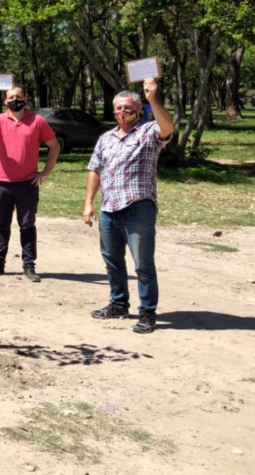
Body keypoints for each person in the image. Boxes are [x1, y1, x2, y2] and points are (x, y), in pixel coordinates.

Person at [83, 78, 174, 334]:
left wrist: (153, 97)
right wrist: (89, 203)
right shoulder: (106, 138)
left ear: (139, 109)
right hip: (108, 209)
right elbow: (95, 170)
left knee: (143, 264)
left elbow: (168, 127)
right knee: (112, 261)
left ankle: (147, 313)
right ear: (114, 111)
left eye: (128, 107)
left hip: (138, 209)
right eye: (119, 108)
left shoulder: (148, 132)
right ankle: (118, 303)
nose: (123, 112)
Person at [0, 85, 60, 282]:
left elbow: (54, 145)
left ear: (26, 98)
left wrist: (46, 172)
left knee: (27, 225)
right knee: (1, 225)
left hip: (27, 184)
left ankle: (29, 266)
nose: (16, 99)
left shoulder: (37, 121)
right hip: (1, 183)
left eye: (19, 96)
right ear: (5, 101)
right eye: (11, 97)